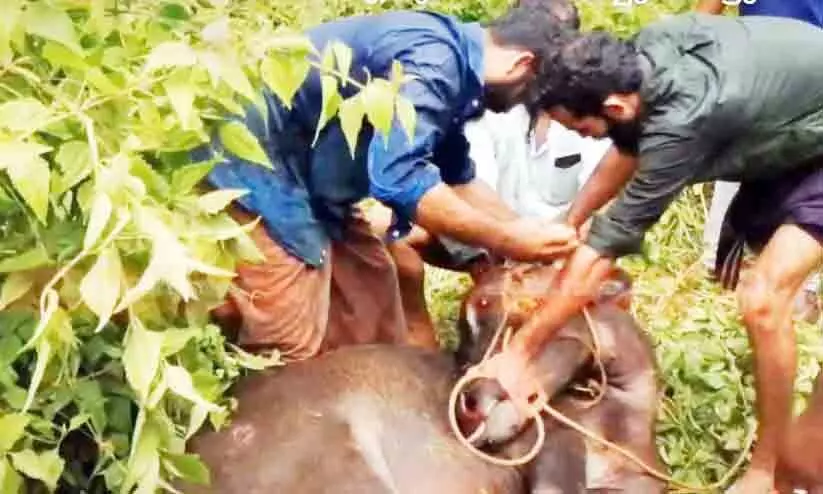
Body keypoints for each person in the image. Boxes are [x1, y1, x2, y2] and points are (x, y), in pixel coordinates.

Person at [465, 13, 823, 493]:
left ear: (613, 105)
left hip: (805, 133)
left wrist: (520, 354)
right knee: (738, 268)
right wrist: (568, 222)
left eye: (584, 130)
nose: (584, 139)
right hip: (789, 124)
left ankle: (768, 470)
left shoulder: (685, 120)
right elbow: (626, 146)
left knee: (762, 299)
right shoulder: (639, 59)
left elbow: (604, 251)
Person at [196, 6, 577, 362]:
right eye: (530, 93)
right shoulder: (434, 61)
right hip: (257, 173)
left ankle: (370, 399)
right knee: (287, 335)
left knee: (372, 294)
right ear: (521, 63)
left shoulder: (453, 64)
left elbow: (456, 175)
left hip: (315, 185)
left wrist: (528, 238)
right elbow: (400, 180)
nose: (521, 105)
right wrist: (504, 239)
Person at [365, 0, 611, 350]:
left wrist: (552, 244)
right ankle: (421, 345)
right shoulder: (488, 98)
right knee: (383, 227)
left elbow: (599, 211)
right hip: (487, 241)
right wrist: (506, 243)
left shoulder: (587, 121)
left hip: (553, 250)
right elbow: (451, 184)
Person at [696, 0, 823, 324]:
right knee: (741, 177)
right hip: (757, 89)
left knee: (804, 199)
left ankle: (796, 292)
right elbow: (705, 16)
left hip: (812, 99)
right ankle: (721, 286)